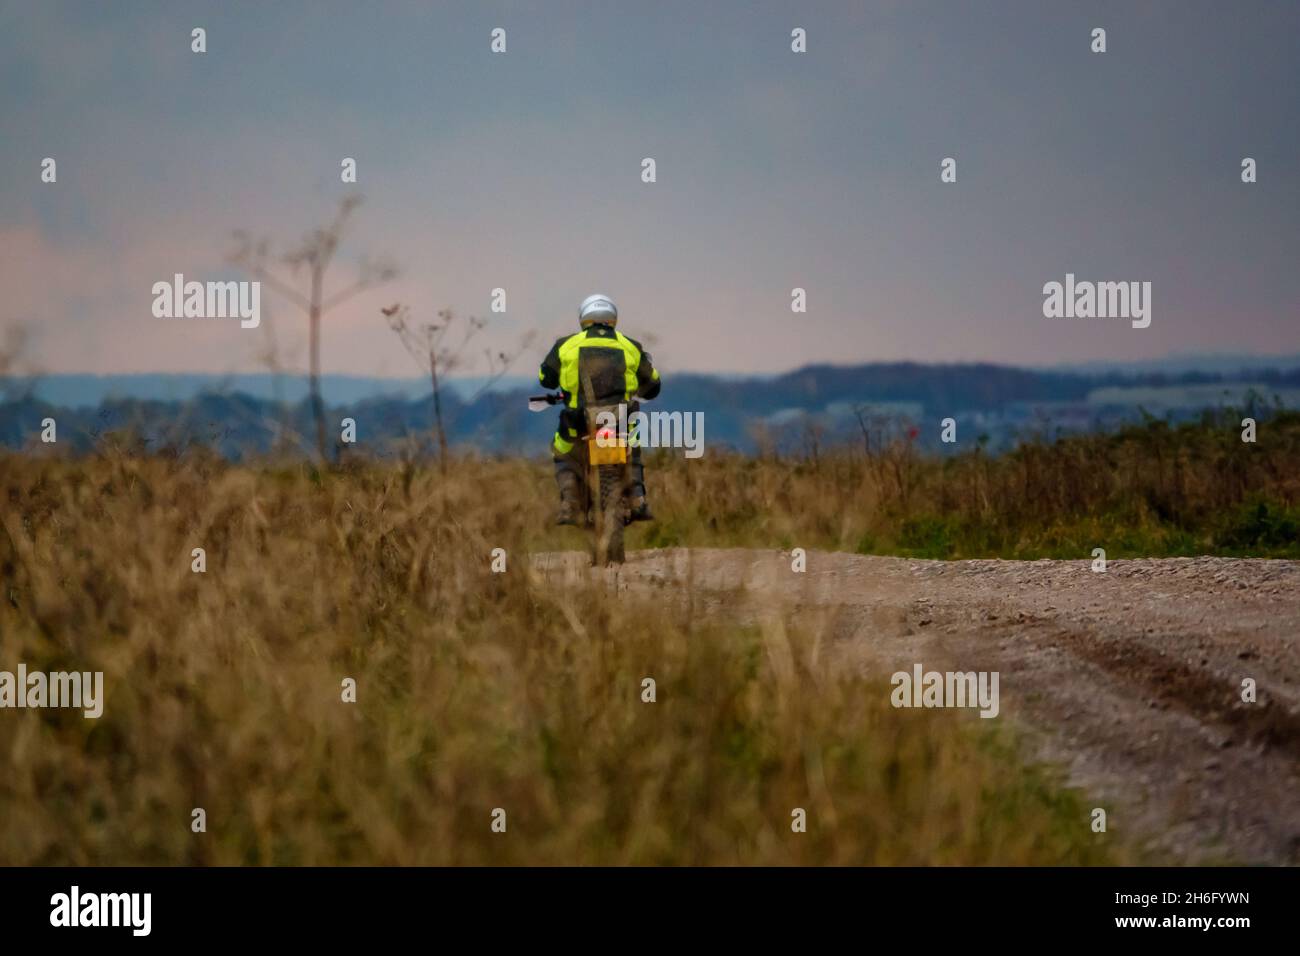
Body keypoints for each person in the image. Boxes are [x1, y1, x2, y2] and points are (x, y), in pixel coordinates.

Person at [538, 293, 660, 525]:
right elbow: (653, 384)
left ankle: (569, 503)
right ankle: (638, 499)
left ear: (583, 318)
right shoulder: (631, 346)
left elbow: (545, 377)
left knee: (562, 449)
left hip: (578, 420)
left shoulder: (566, 345)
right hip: (621, 420)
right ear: (613, 318)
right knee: (632, 446)